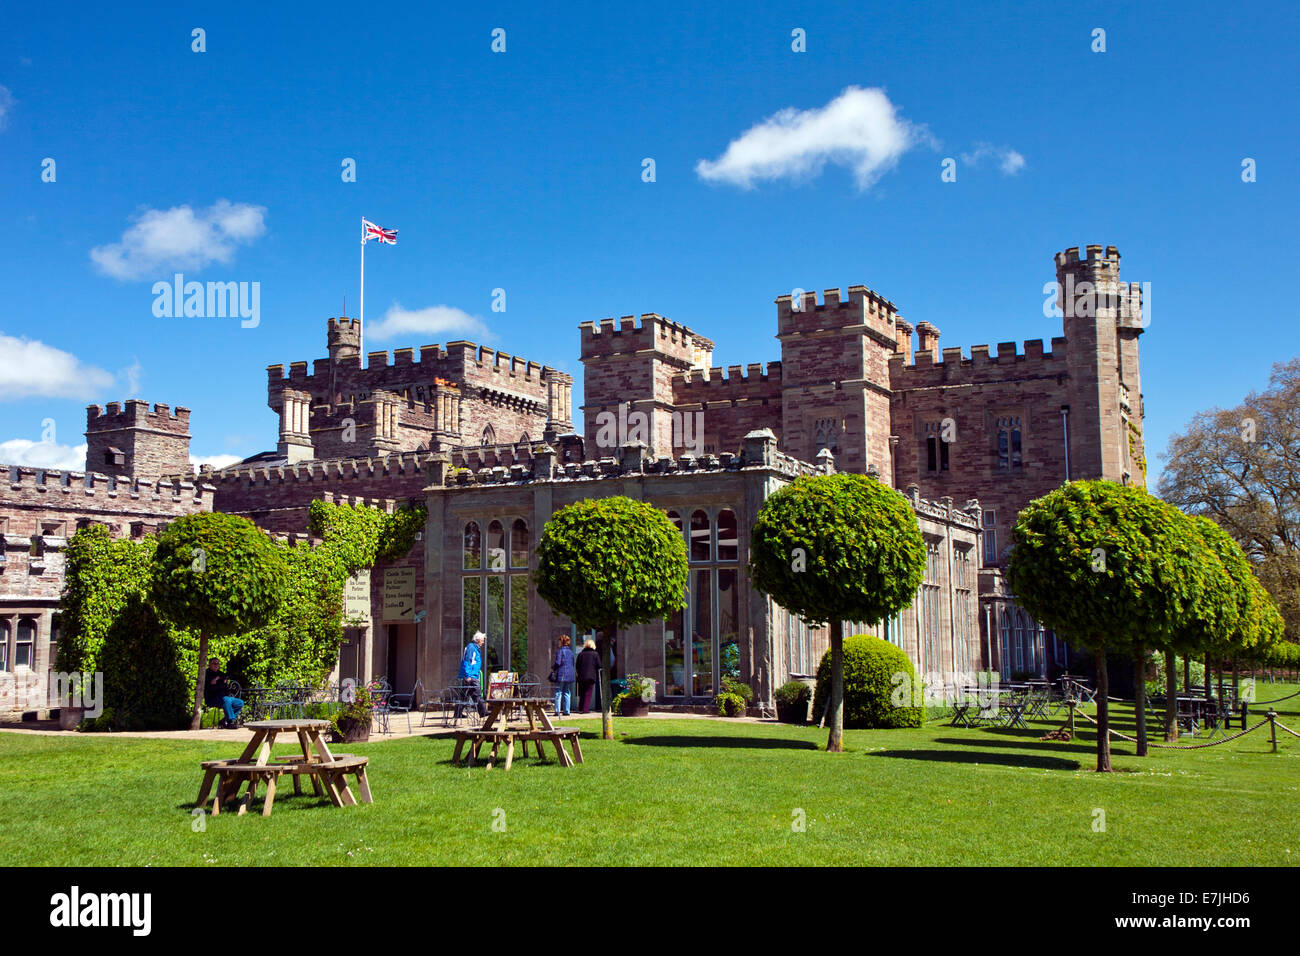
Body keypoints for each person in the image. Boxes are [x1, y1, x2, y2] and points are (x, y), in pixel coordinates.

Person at [204, 657, 243, 729]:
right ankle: (230, 722)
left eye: (218, 663)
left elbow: (224, 684)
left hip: (224, 698)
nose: (216, 665)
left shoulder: (221, 674)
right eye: (214, 663)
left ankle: (224, 721)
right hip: (213, 699)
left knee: (240, 702)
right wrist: (220, 683)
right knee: (226, 700)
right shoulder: (206, 674)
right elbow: (211, 688)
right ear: (209, 664)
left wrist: (218, 682)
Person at [457, 632, 489, 718]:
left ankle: (457, 713)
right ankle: (483, 712)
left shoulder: (474, 648)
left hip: (472, 675)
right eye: (482, 640)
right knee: (477, 693)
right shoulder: (472, 648)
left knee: (465, 695)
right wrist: (467, 675)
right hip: (471, 676)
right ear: (477, 640)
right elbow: (467, 661)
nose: (483, 642)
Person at [553, 634, 576, 716]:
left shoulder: (560, 651)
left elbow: (558, 663)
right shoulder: (571, 652)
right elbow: (573, 663)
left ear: (562, 642)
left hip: (562, 674)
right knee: (566, 692)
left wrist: (553, 668)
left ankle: (557, 710)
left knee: (558, 692)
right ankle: (567, 711)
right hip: (569, 675)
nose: (558, 643)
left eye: (559, 641)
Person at [575, 638, 600, 713]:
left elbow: (577, 665)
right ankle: (585, 709)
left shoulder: (581, 654)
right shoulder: (595, 654)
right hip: (591, 676)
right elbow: (599, 665)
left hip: (582, 676)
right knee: (588, 693)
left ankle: (580, 707)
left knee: (582, 693)